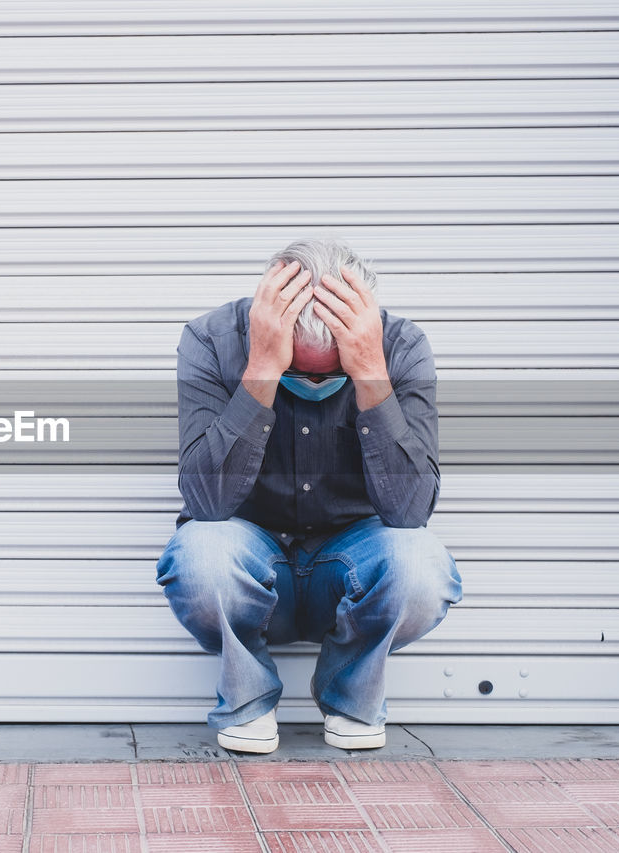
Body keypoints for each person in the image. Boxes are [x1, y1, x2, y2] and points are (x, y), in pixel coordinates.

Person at [155, 237, 463, 753]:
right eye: (299, 371)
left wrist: (368, 373)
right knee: (199, 556)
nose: (315, 382)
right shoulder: (211, 341)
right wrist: (262, 373)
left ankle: (350, 696)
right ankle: (248, 702)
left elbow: (410, 513)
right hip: (252, 559)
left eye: (330, 372)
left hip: (349, 566)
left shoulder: (400, 347)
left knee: (422, 569)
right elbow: (206, 504)